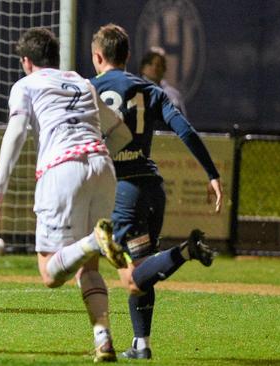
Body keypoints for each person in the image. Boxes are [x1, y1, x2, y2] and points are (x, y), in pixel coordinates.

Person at [0, 27, 130, 363]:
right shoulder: (83, 82)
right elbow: (121, 132)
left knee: (50, 273)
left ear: (26, 61)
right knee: (88, 268)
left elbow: (17, 131)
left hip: (63, 169)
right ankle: (104, 340)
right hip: (102, 166)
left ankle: (95, 241)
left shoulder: (26, 85)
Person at [89, 24, 223, 359]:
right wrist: (212, 174)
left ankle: (185, 252)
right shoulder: (149, 89)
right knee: (144, 267)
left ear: (97, 56)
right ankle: (141, 344)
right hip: (152, 188)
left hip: (123, 190)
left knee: (133, 276)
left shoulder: (89, 90)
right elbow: (185, 129)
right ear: (128, 56)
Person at [139, 46, 187, 117]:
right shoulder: (134, 90)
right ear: (143, 68)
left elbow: (183, 122)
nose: (154, 68)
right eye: (150, 64)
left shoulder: (174, 94)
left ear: (164, 68)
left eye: (158, 65)